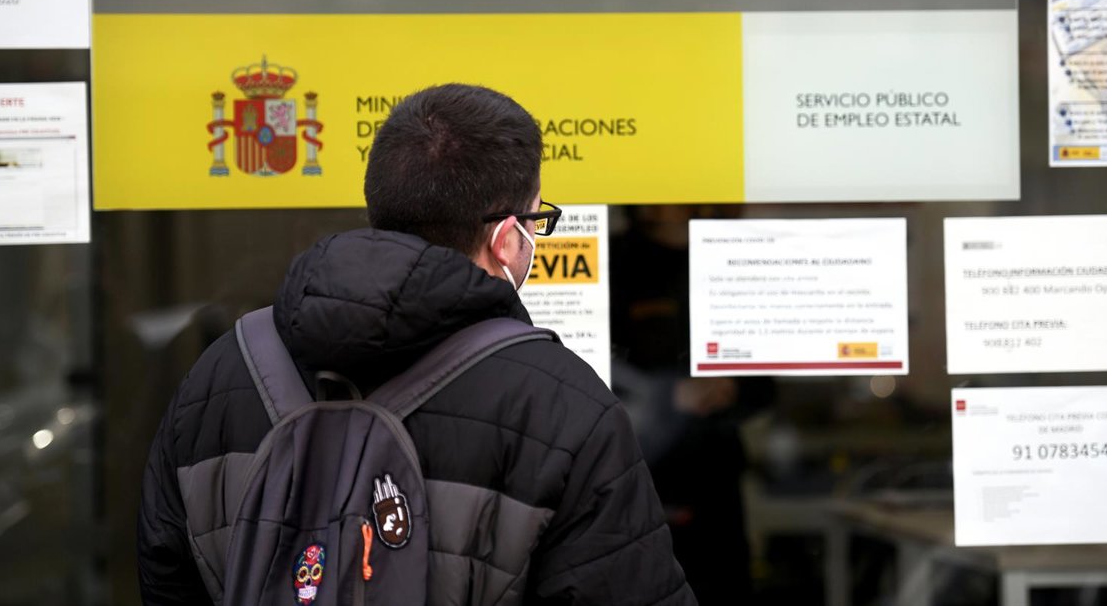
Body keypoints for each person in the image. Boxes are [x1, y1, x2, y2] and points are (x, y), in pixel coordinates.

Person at [137, 84, 696, 606]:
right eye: (537, 219)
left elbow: (167, 575)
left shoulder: (220, 374)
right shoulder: (563, 403)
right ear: (507, 238)